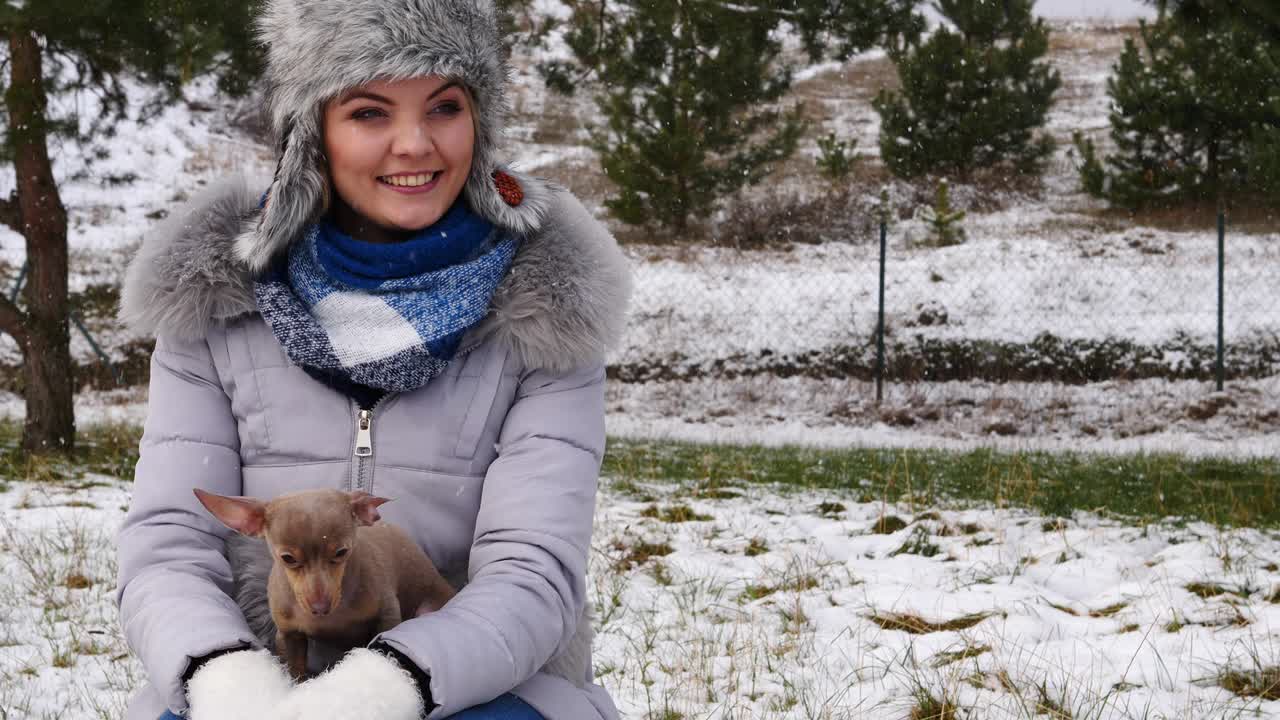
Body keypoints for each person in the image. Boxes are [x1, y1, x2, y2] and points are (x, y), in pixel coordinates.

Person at [113, 1, 631, 719]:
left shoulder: (546, 310)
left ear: (479, 123)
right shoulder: (215, 298)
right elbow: (171, 547)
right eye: (370, 113)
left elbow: (531, 569)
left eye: (444, 106)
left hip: (472, 681)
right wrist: (223, 676)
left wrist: (392, 683)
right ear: (311, 131)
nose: (416, 144)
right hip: (255, 680)